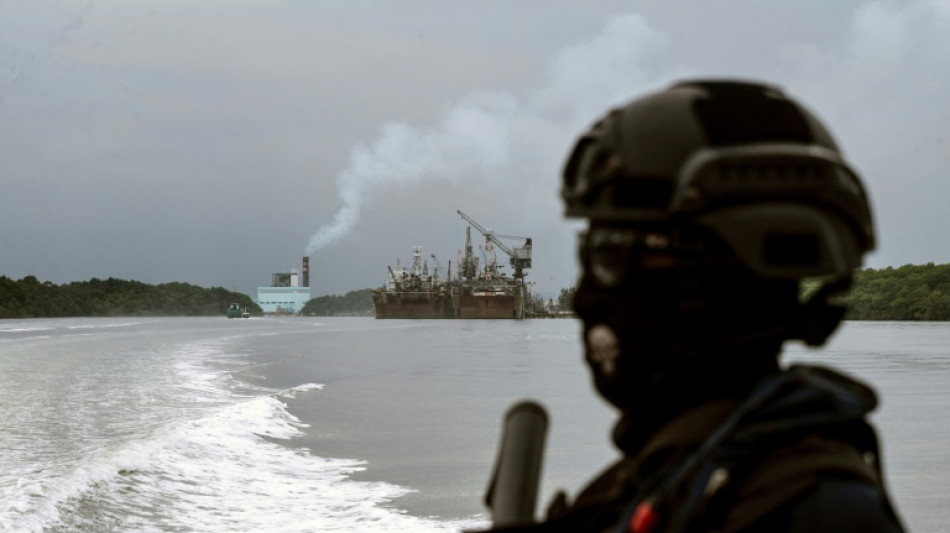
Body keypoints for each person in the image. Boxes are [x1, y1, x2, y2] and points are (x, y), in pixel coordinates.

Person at [483, 80, 905, 532]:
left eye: (610, 255)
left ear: (714, 272)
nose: (588, 296)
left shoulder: (812, 514)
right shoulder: (662, 481)